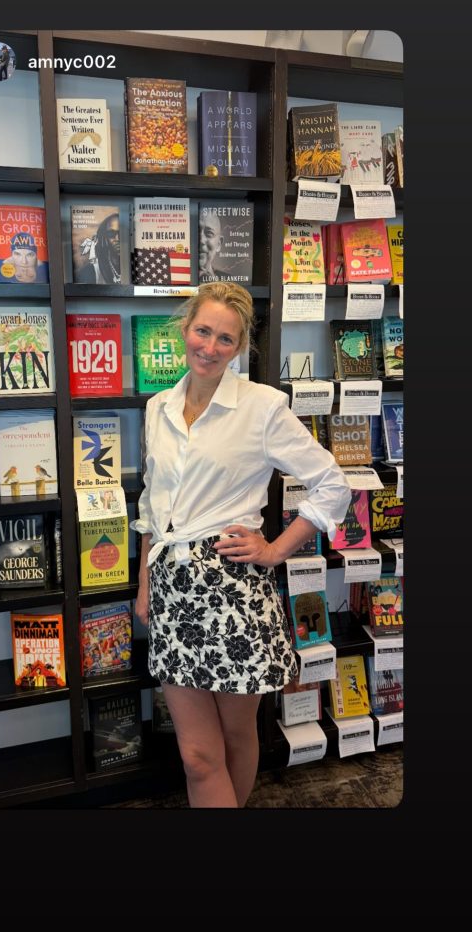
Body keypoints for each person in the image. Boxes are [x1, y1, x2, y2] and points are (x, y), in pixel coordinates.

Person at [132, 282, 351, 808]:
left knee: (235, 736)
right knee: (196, 755)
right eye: (202, 331)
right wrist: (144, 584)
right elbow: (151, 506)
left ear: (240, 347)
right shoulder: (157, 407)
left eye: (224, 339)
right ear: (184, 330)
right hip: (171, 591)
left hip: (234, 594)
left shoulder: (263, 408)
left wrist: (276, 550)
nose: (209, 347)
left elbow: (333, 485)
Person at [77, 212, 121, 284]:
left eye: (122, 233)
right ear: (105, 238)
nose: (117, 238)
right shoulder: (91, 271)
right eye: (111, 234)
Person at [198, 209, 235, 282]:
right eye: (196, 231)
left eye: (209, 233)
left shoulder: (231, 283)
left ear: (219, 244)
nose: (201, 240)